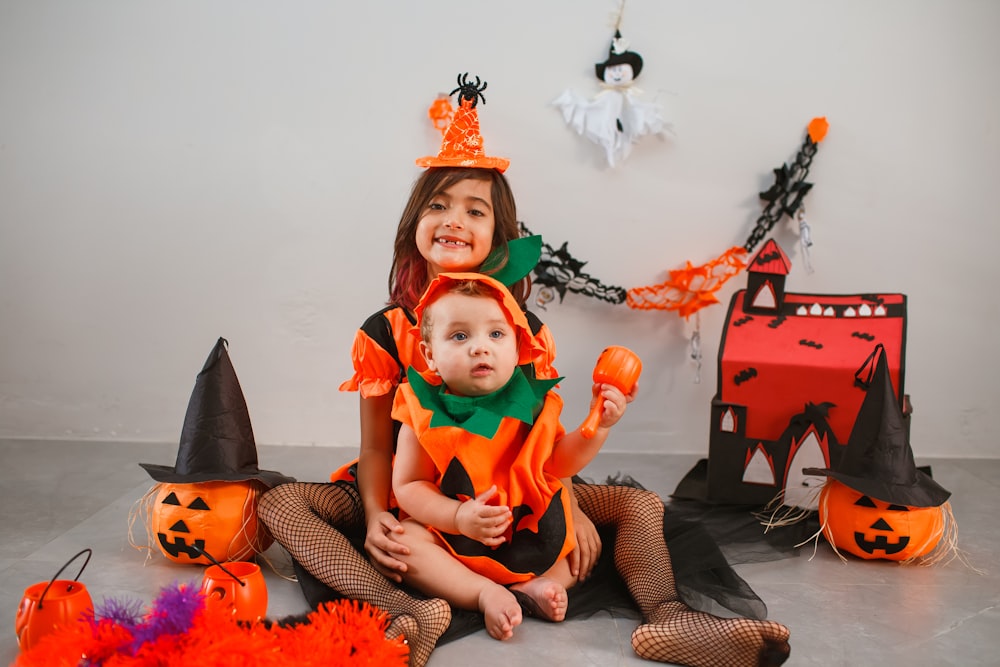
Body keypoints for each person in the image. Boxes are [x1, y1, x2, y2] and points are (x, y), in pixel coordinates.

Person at [258, 75, 791, 667]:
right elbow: (378, 444)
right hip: (417, 487)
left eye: (473, 209)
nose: (453, 219)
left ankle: (669, 618)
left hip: (518, 480)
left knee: (638, 508)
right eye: (437, 204)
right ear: (414, 222)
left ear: (497, 237)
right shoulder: (384, 331)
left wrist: (567, 498)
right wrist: (380, 512)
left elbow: (541, 434)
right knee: (280, 505)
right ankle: (406, 612)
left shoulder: (521, 332)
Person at [390, 272, 628, 641]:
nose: (480, 347)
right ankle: (483, 592)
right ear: (429, 354)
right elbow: (408, 486)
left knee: (576, 548)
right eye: (459, 336)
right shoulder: (422, 411)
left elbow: (558, 464)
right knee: (405, 543)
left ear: (518, 348)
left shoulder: (532, 404)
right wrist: (456, 516)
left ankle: (537, 585)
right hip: (455, 539)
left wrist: (598, 426)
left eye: (496, 334)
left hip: (524, 530)